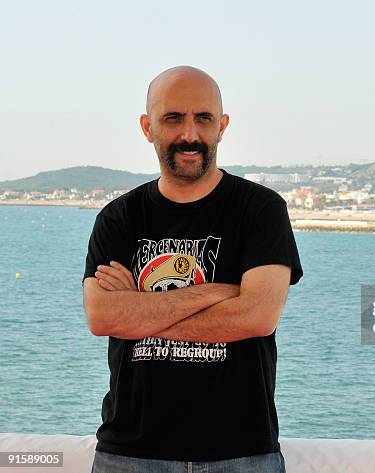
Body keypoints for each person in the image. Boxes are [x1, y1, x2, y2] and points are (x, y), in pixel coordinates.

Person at [82, 65, 303, 473]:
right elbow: (103, 316)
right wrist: (217, 291)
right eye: (173, 118)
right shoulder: (118, 219)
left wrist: (139, 309)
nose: (190, 134)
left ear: (222, 126)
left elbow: (257, 316)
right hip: (129, 454)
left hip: (242, 454)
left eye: (203, 118)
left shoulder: (261, 210)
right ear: (148, 128)